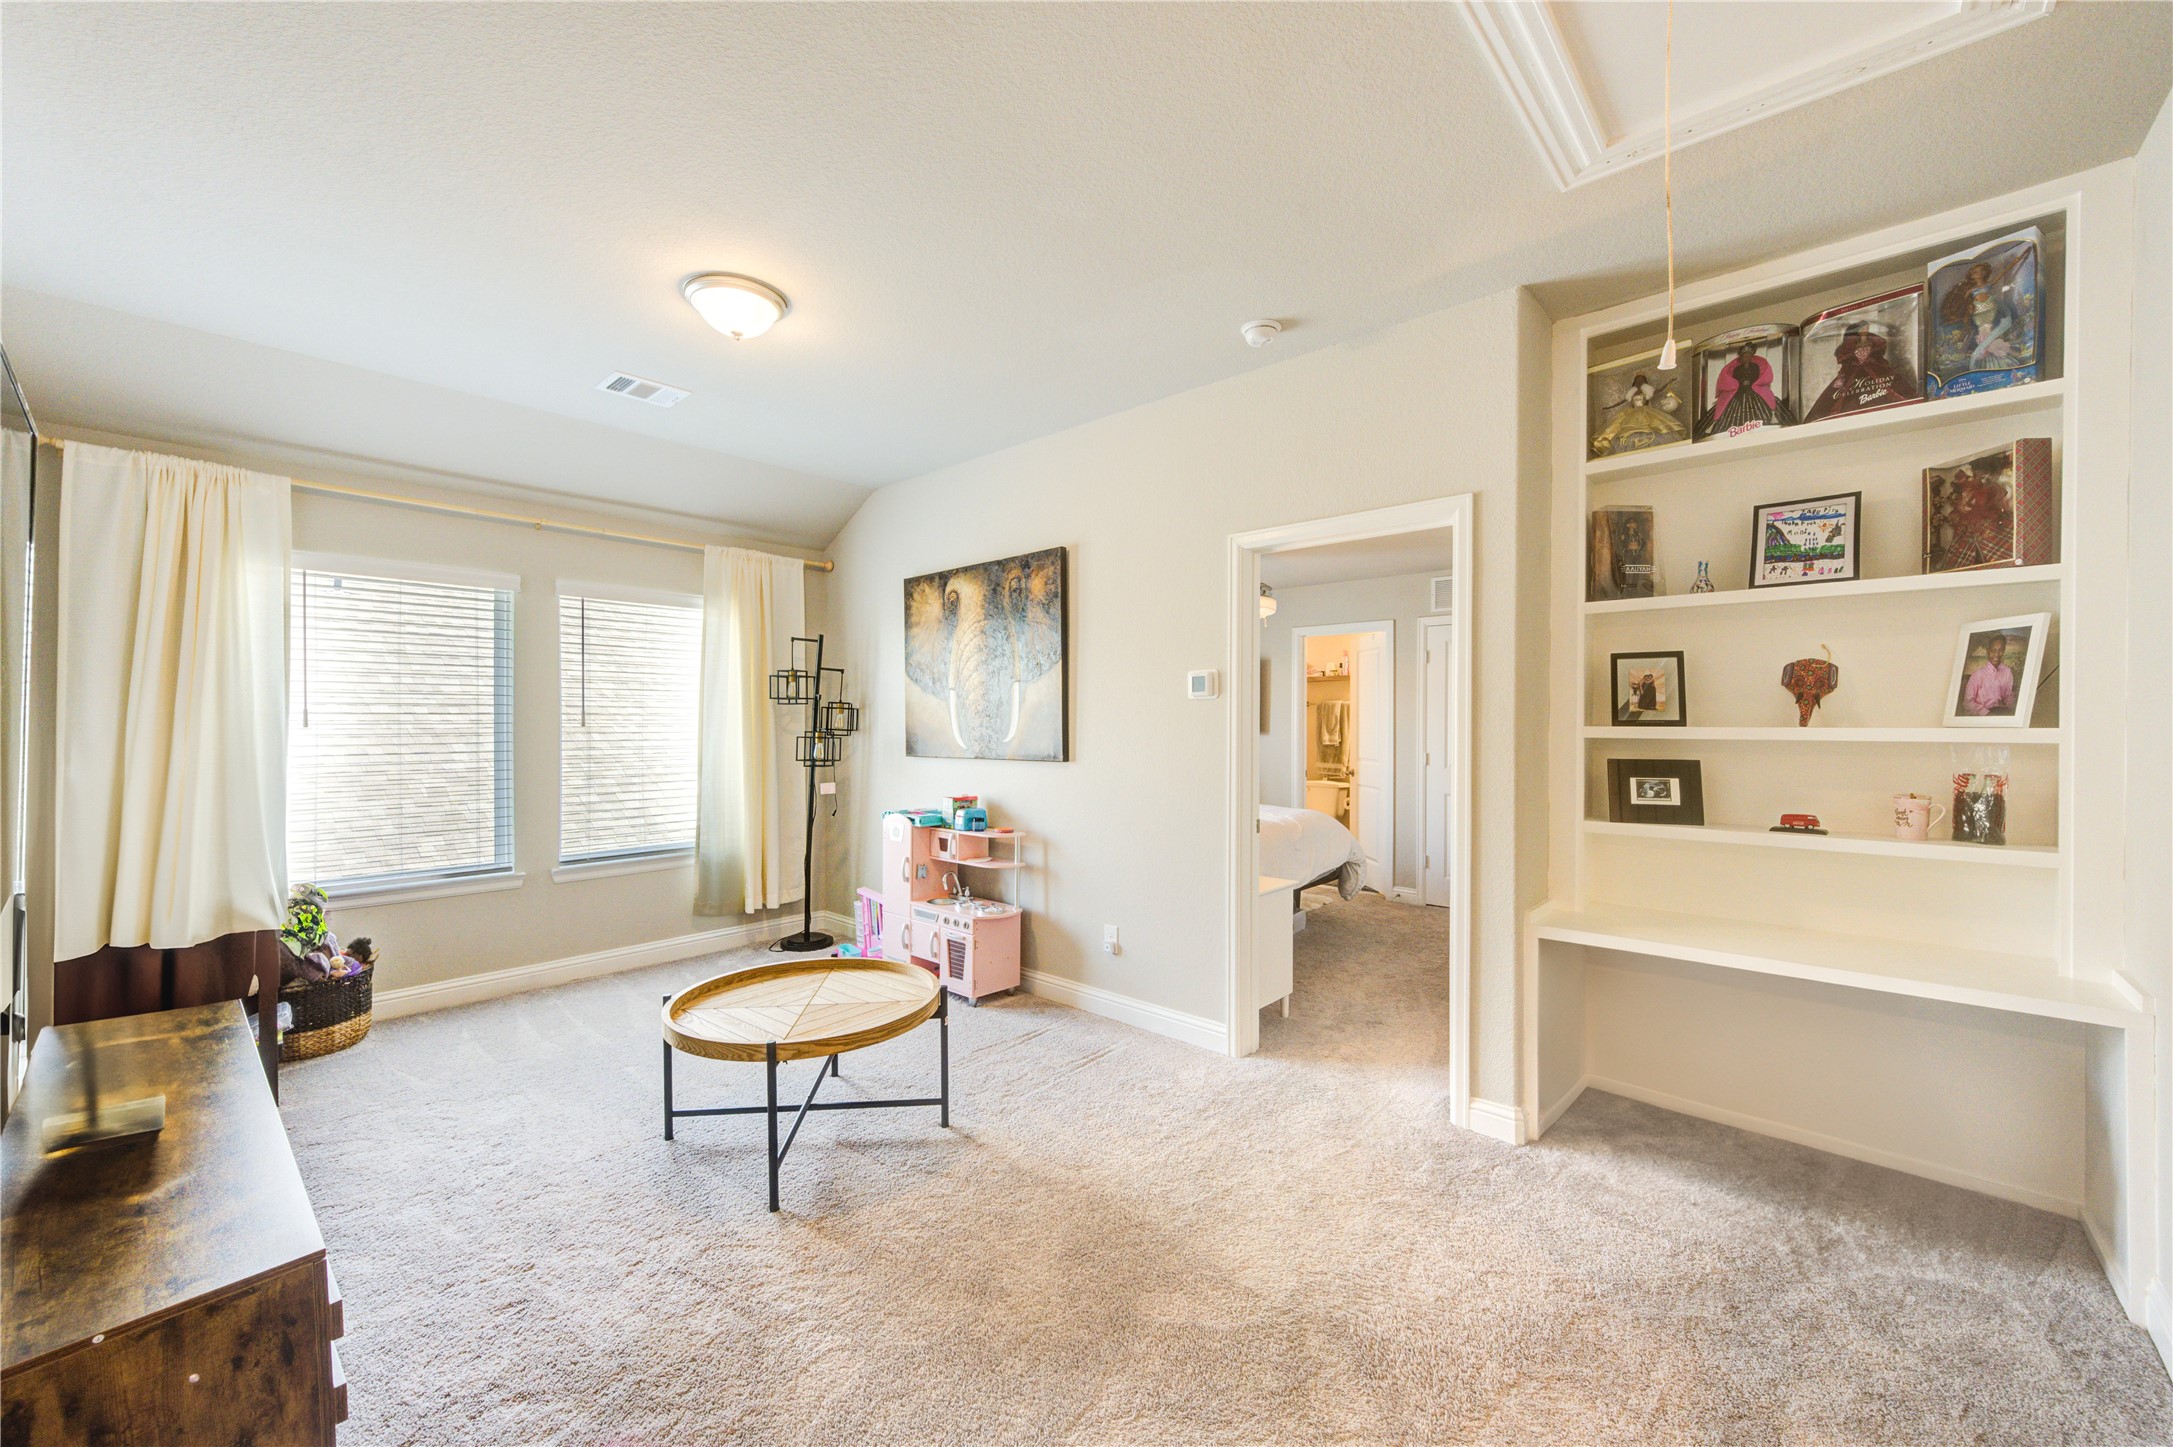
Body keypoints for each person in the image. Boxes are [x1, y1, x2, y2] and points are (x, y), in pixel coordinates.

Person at [1807, 326, 1915, 419]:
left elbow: (1878, 352)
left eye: (1866, 327)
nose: (1865, 329)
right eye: (1863, 327)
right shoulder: (1852, 344)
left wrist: (1871, 360)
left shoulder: (1873, 341)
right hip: (1854, 371)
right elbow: (1845, 356)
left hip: (1874, 367)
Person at [1962, 633, 2018, 716]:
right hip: (1983, 714)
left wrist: (2014, 706)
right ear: (1988, 651)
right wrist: (1987, 713)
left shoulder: (2007, 671)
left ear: (2004, 650)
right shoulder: (1978, 675)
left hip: (2001, 711)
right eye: (1993, 650)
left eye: (2000, 650)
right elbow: (1967, 703)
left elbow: (2007, 695)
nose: (1996, 654)